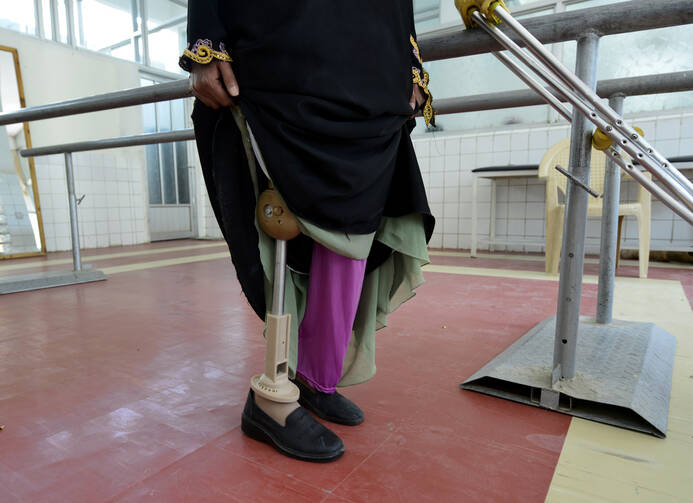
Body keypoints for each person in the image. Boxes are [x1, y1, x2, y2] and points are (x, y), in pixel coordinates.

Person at [180, 1, 436, 462]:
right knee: (281, 229)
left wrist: (411, 62)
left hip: (371, 78)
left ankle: (313, 377)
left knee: (353, 242)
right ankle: (270, 397)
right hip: (278, 59)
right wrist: (206, 38)